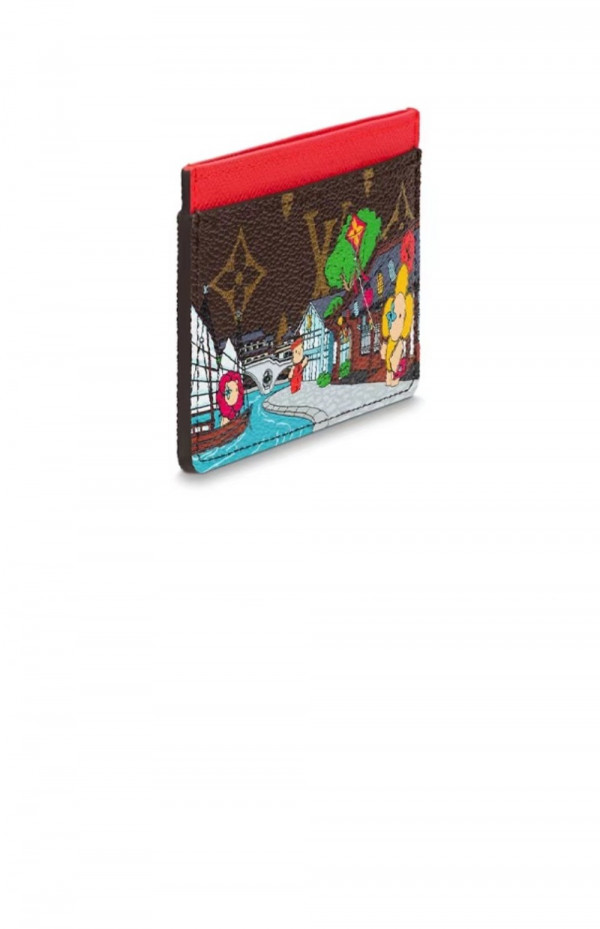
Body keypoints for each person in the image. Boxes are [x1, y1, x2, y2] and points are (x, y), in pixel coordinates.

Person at [380, 264, 414, 387]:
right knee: (389, 357)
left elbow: (408, 318)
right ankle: (390, 378)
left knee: (395, 358)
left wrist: (403, 334)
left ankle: (394, 377)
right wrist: (385, 337)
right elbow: (386, 318)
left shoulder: (407, 300)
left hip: (398, 336)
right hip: (391, 335)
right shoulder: (392, 302)